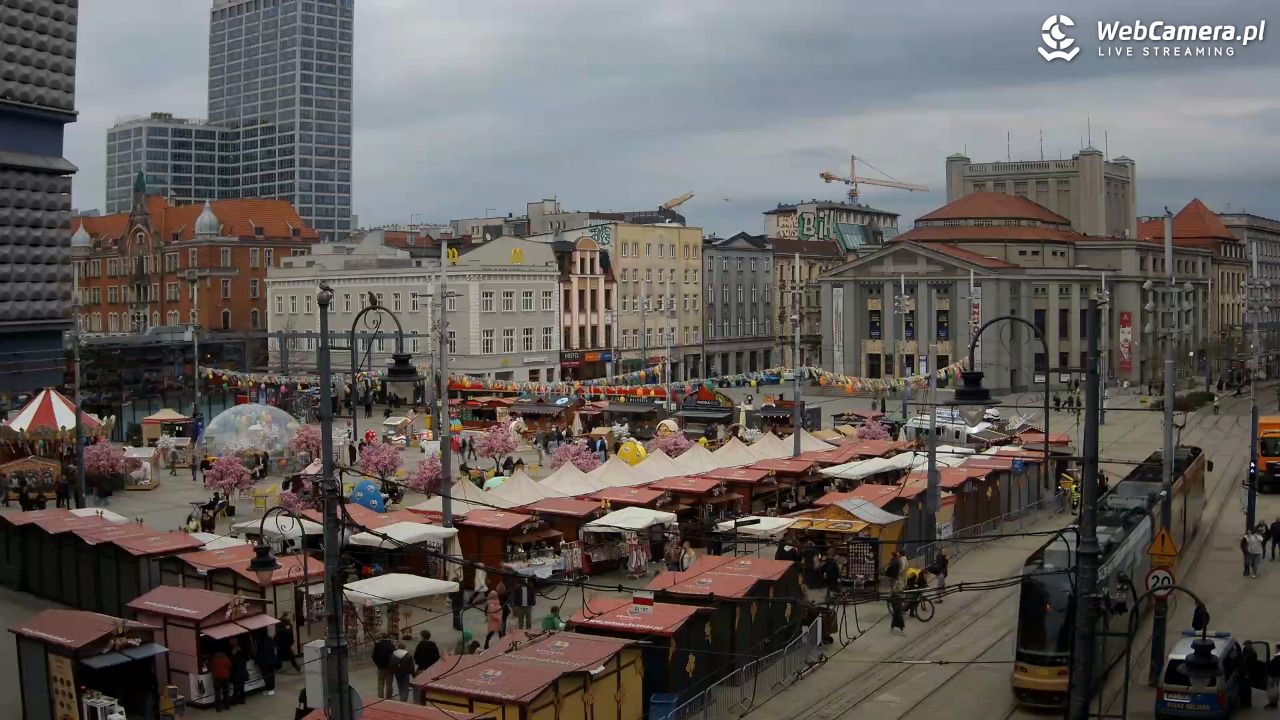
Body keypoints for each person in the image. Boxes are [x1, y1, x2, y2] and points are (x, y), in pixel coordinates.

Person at [372, 633, 397, 699]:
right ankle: (388, 697)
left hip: (380, 667)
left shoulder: (377, 645)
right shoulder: (391, 646)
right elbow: (394, 657)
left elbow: (374, 656)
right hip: (389, 668)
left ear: (381, 638)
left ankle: (380, 697)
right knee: (389, 684)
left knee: (380, 683)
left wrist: (377, 664)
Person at [256, 628, 279, 696]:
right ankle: (271, 688)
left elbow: (260, 652)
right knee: (271, 674)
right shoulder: (269, 639)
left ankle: (269, 689)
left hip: (264, 661)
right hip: (271, 660)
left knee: (266, 675)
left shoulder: (261, 641)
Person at [229, 638, 249, 705]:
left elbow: (231, 663)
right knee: (240, 688)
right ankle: (241, 700)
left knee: (237, 688)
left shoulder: (235, 658)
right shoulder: (243, 657)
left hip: (237, 675)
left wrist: (232, 654)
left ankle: (235, 700)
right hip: (242, 674)